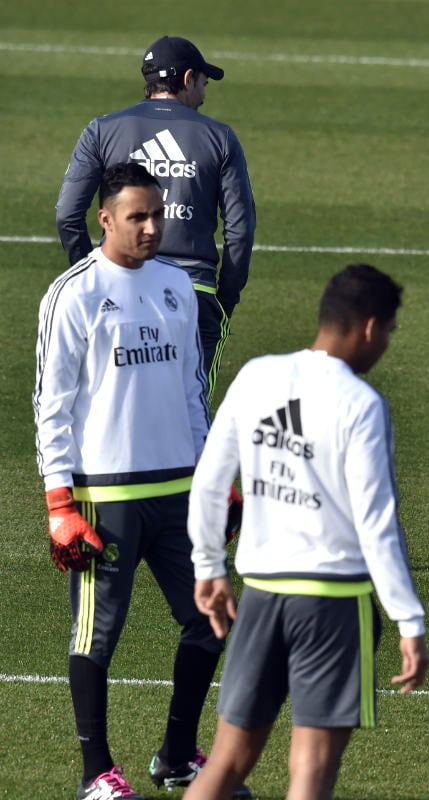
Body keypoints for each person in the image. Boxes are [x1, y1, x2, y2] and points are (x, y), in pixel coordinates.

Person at [182, 263, 429, 800]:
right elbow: (377, 522)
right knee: (311, 774)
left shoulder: (256, 376)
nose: (385, 342)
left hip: (263, 594)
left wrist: (208, 567)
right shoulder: (361, 404)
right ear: (369, 327)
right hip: (334, 601)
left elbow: (208, 483)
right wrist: (409, 618)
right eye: (388, 330)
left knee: (224, 765)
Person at [34, 163, 240, 800]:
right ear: (105, 218)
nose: (152, 228)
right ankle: (96, 774)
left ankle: (178, 757)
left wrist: (215, 478)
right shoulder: (74, 294)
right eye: (136, 218)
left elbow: (189, 395)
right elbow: (52, 406)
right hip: (107, 496)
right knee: (98, 635)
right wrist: (59, 502)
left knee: (211, 621)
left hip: (178, 491)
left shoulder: (178, 287)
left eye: (157, 215)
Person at [56, 35, 256, 399]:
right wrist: (224, 299)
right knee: (187, 418)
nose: (205, 91)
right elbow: (240, 232)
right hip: (194, 293)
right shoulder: (221, 138)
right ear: (187, 78)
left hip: (118, 289)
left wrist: (93, 277)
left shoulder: (101, 129)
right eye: (204, 82)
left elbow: (68, 215)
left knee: (117, 407)